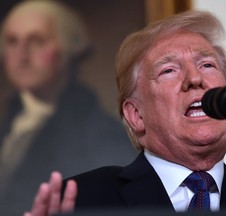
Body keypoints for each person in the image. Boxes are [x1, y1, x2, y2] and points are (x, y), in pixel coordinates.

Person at [24, 10, 226, 216]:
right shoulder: (81, 202)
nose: (195, 79)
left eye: (207, 64)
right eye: (169, 70)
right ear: (136, 114)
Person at [0, 1, 136, 215]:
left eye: (36, 41)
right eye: (12, 41)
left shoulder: (101, 133)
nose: (22, 55)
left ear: (68, 48)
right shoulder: (10, 120)